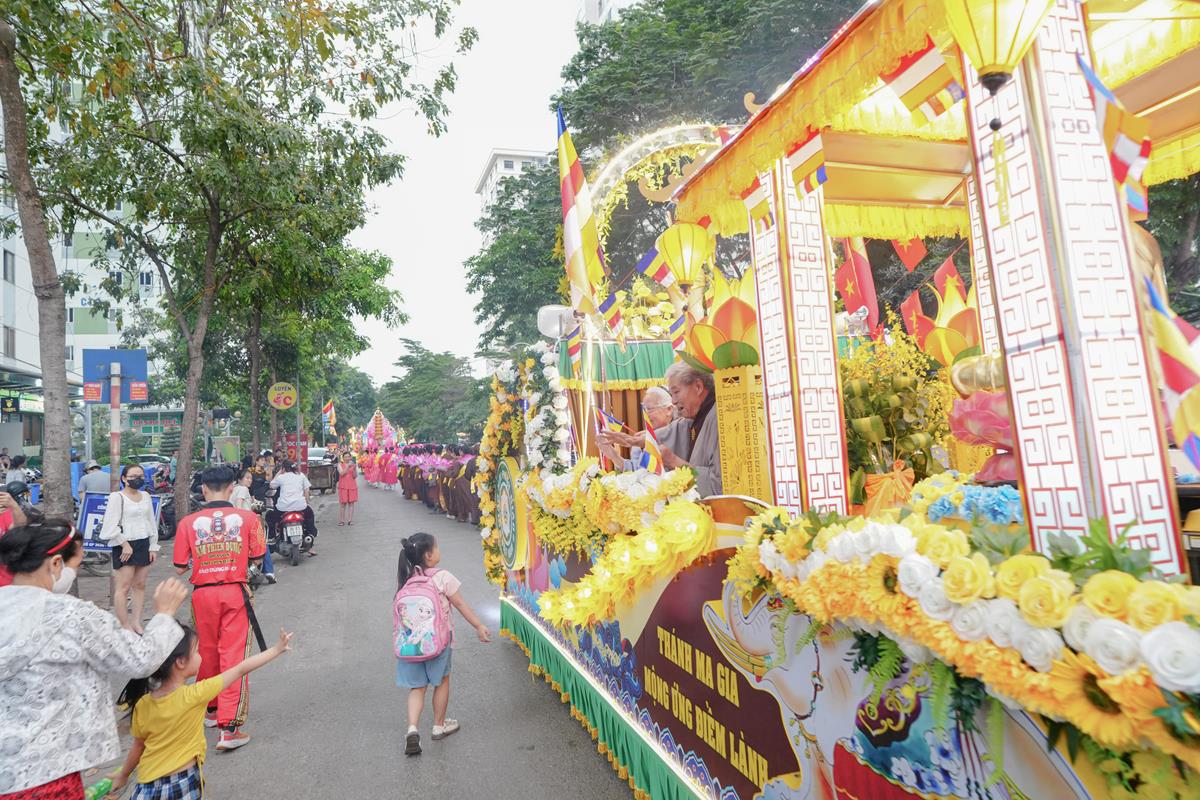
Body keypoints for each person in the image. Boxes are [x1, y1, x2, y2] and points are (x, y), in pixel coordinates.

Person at [0, 521, 189, 798]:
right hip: (45, 772)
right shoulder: (72, 615)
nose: (74, 573)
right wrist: (164, 614)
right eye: (76, 566)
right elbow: (141, 659)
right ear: (55, 564)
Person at [108, 625, 293, 799]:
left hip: (146, 787)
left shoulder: (142, 704)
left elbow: (138, 746)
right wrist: (277, 649)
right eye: (196, 651)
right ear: (181, 662)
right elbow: (240, 669)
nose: (200, 655)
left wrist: (124, 775)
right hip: (182, 784)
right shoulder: (195, 695)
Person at [172, 466, 267, 751]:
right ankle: (229, 729)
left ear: (203, 489)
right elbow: (259, 557)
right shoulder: (249, 519)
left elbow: (179, 567)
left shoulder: (188, 523)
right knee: (234, 657)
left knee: (207, 653)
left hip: (202, 595)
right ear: (232, 488)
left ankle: (211, 711)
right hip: (235, 592)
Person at [396, 532, 491, 756]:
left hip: (412, 645)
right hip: (438, 642)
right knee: (442, 681)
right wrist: (478, 625)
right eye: (436, 547)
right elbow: (460, 604)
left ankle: (412, 729)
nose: (439, 550)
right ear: (429, 555)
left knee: (417, 687)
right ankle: (439, 726)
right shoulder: (443, 577)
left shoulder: (407, 577)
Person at [100, 464, 161, 633]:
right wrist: (124, 544)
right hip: (124, 545)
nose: (137, 479)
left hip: (144, 543)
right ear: (124, 479)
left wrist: (153, 546)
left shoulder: (146, 496)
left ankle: (136, 622)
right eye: (133, 476)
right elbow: (109, 527)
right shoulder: (117, 497)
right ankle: (124, 625)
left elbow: (151, 521)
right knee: (123, 587)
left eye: (140, 476)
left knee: (140, 584)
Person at [663, 361, 723, 497]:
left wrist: (673, 461)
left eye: (676, 392)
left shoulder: (719, 417)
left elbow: (719, 485)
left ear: (698, 387)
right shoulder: (696, 418)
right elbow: (672, 430)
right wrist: (640, 440)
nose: (673, 401)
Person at [231, 469, 275, 584]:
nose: (249, 480)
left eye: (250, 478)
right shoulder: (243, 489)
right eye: (247, 478)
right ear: (239, 479)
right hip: (246, 524)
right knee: (262, 543)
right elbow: (239, 504)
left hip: (232, 526)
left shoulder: (232, 490)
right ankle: (269, 572)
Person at [268, 460, 318, 556]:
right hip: (300, 506)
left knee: (270, 516)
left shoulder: (281, 477)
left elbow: (272, 485)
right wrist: (306, 501)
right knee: (309, 516)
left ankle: (272, 538)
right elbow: (306, 490)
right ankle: (311, 537)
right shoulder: (301, 475)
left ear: (283, 468)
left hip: (284, 508)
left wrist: (279, 472)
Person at [337, 451, 358, 526]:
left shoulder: (353, 465)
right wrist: (347, 467)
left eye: (348, 457)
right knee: (343, 504)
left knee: (351, 504)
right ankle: (342, 520)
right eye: (345, 457)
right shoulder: (340, 465)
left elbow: (355, 476)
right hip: (343, 486)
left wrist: (354, 468)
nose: (347, 458)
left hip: (352, 486)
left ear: (350, 457)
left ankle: (350, 520)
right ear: (343, 458)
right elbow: (342, 473)